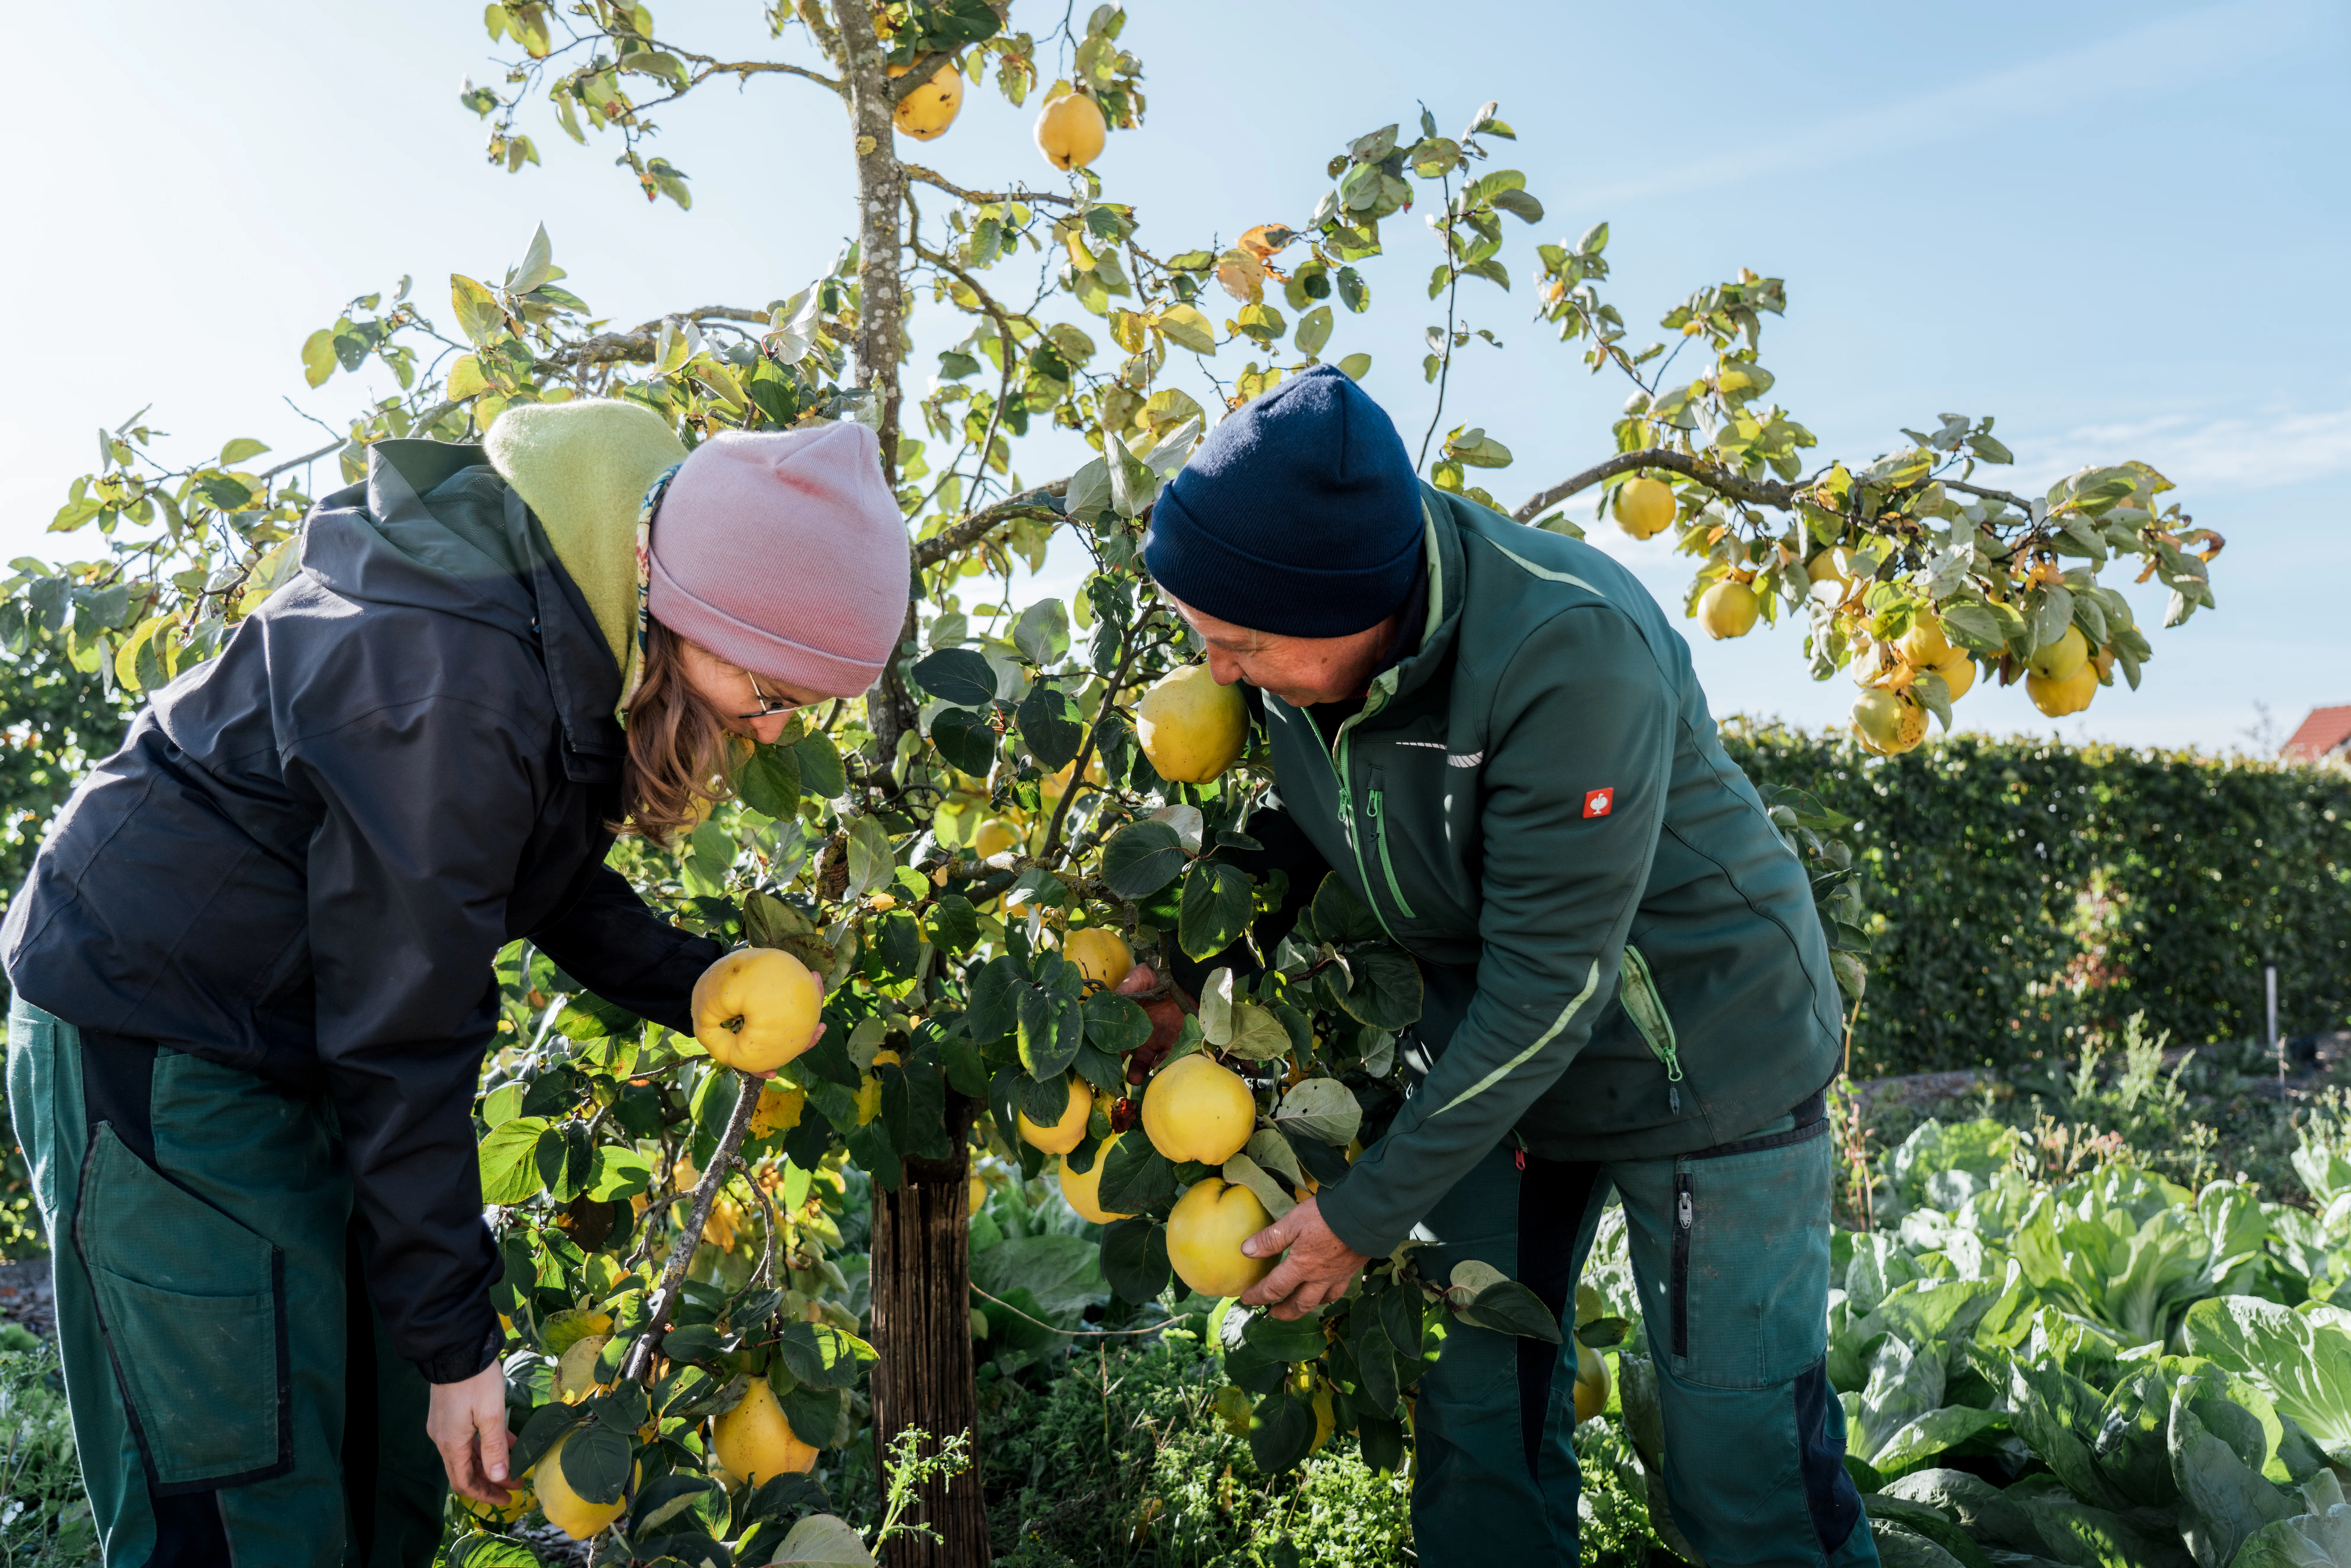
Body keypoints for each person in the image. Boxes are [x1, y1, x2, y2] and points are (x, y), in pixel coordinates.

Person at [2, 401, 909, 1564]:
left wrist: (691, 980)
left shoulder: (562, 621)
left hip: (295, 1032)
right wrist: (458, 1350)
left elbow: (539, 877)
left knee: (380, 1480)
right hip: (150, 1026)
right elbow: (408, 1027)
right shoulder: (456, 678)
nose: (777, 728)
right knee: (245, 1497)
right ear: (684, 601)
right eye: (771, 687)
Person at [1141, 366, 1879, 1568]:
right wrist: (1195, 969)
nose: (1217, 672)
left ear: (1355, 610)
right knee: (1478, 1417)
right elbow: (1318, 826)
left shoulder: (1565, 645)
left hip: (1703, 1051)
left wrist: (1365, 1215)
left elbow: (1547, 987)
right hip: (1488, 1054)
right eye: (1199, 636)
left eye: (1240, 643)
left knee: (1733, 1449)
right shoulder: (1295, 651)